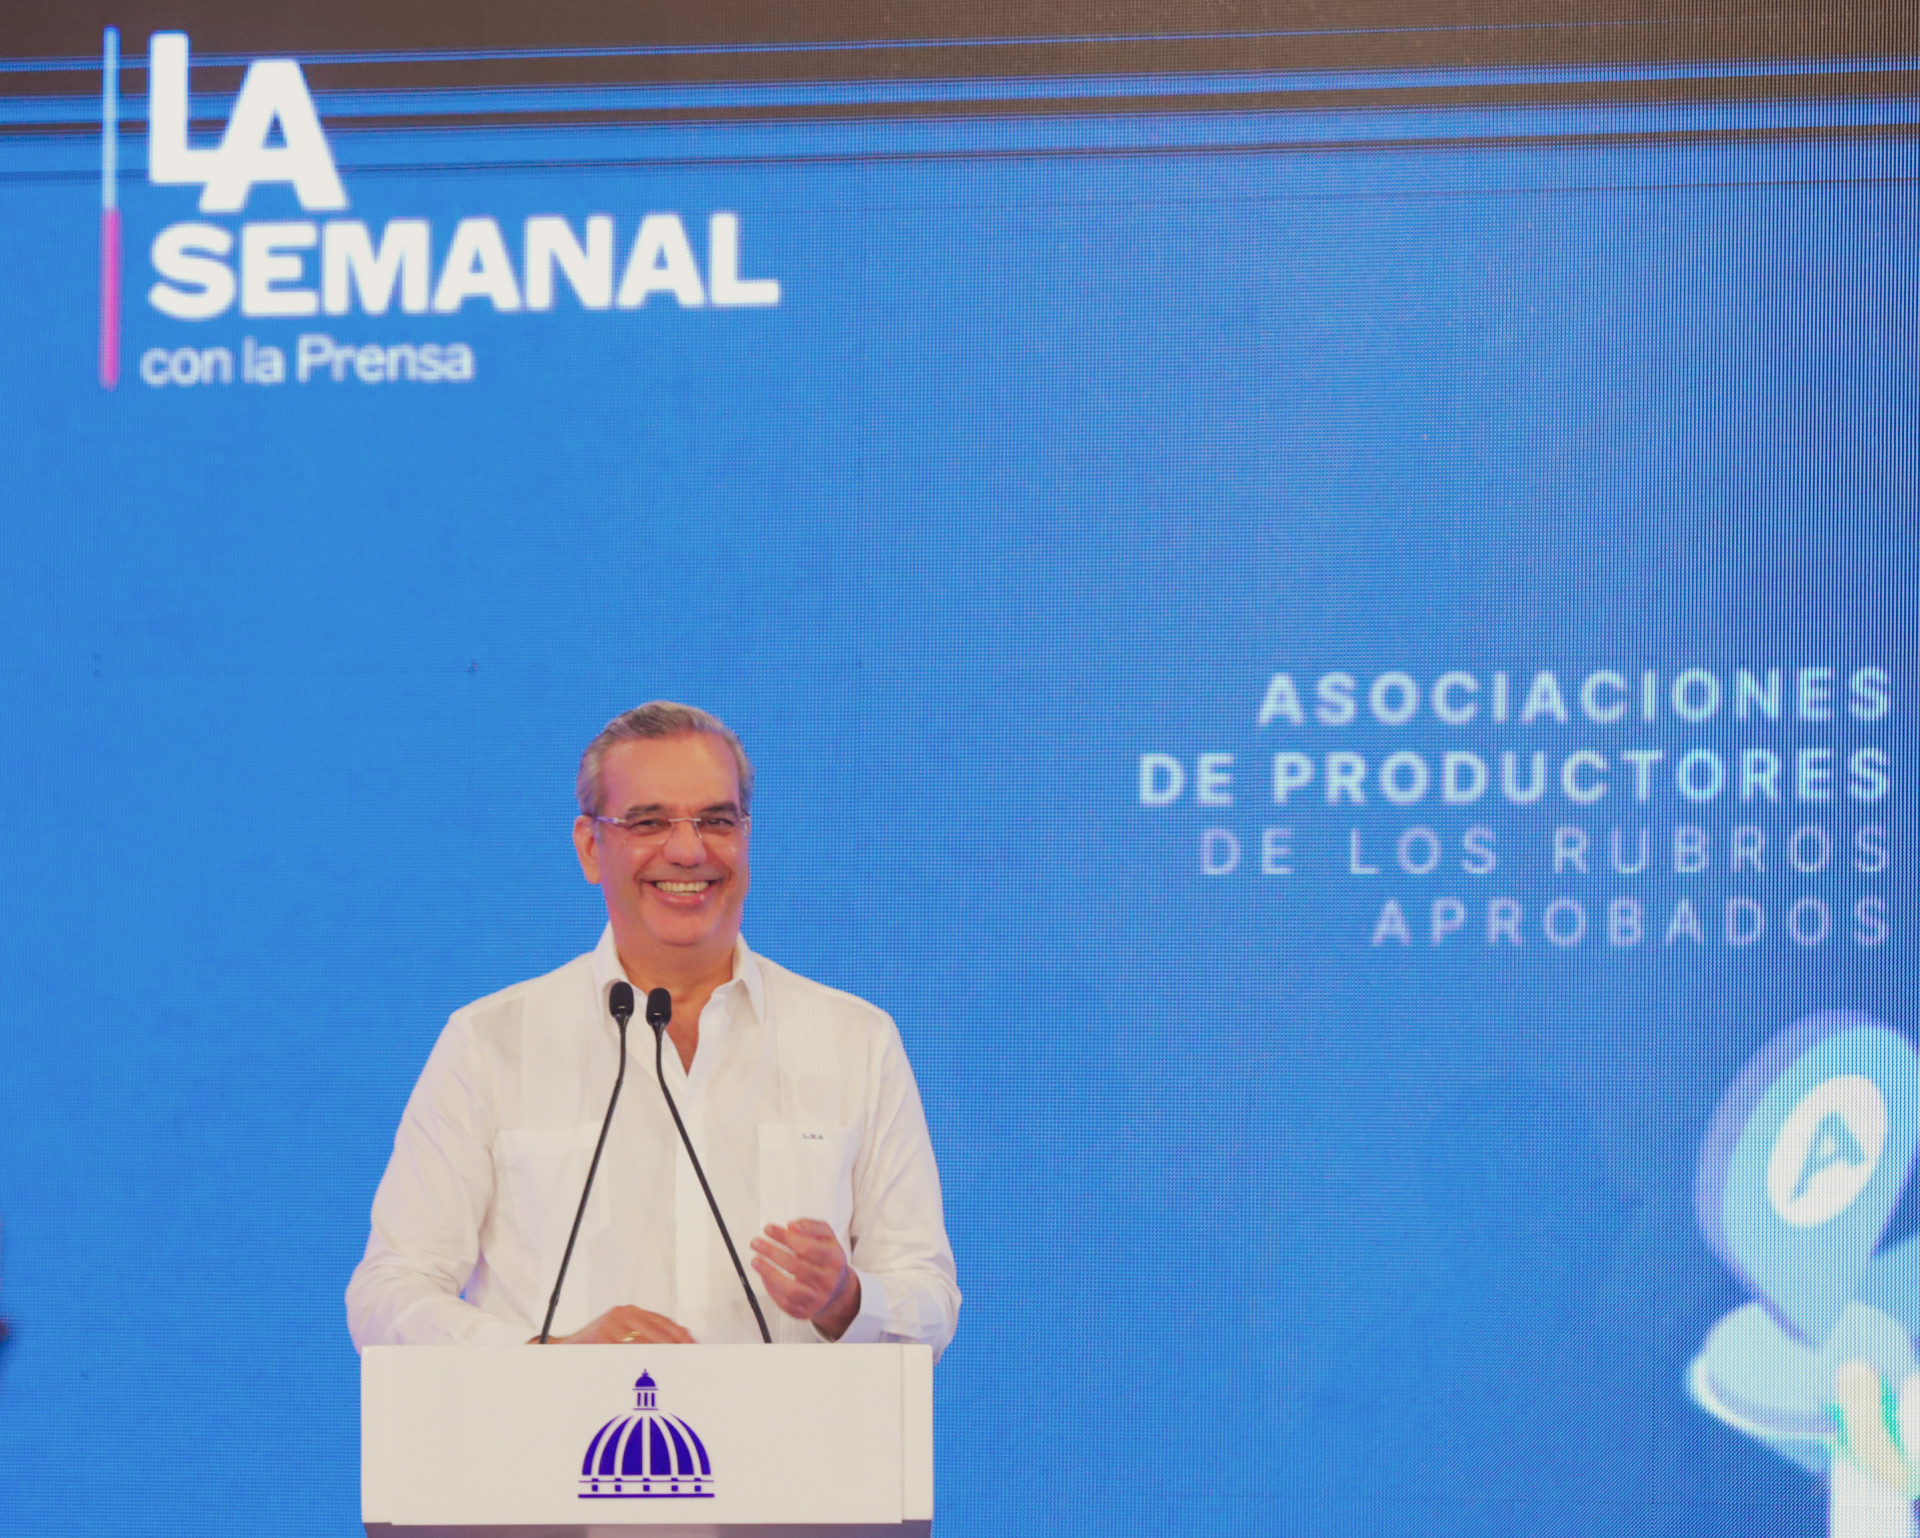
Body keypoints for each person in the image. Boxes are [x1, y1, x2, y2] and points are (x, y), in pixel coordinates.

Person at [346, 702, 959, 1354]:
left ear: (746, 837)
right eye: (649, 822)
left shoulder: (854, 1041)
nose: (688, 851)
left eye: (716, 821)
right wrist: (544, 1362)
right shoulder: (490, 1044)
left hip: (787, 1425)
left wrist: (847, 1301)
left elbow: (929, 1300)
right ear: (590, 847)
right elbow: (388, 1295)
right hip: (567, 1425)